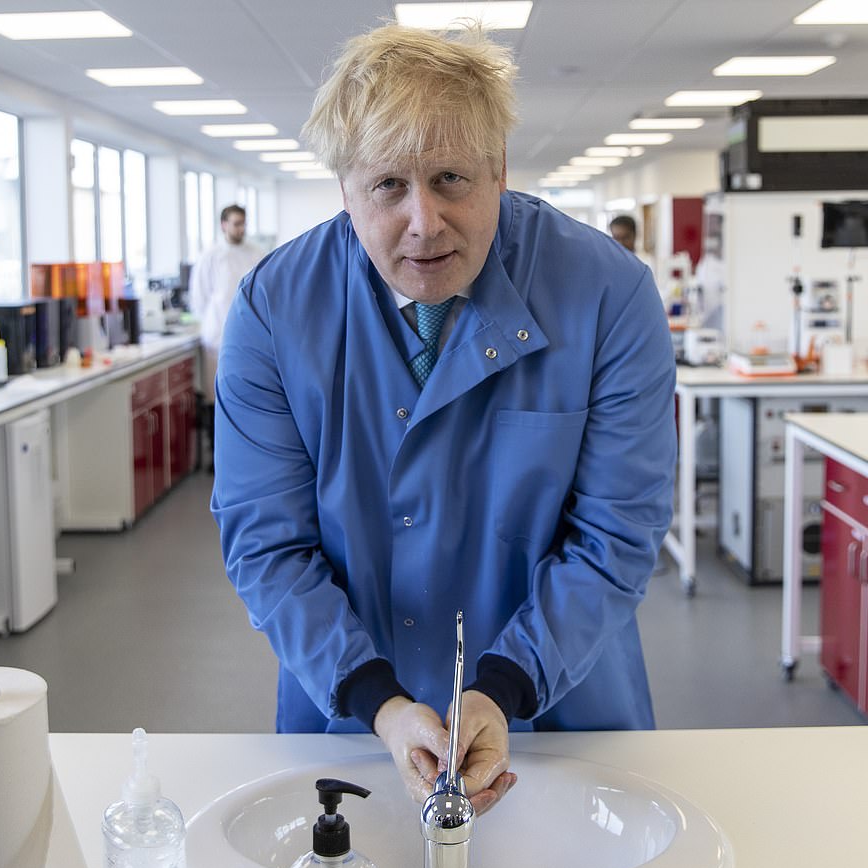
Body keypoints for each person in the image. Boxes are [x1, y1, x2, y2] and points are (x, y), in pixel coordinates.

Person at [212, 24, 676, 816]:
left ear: (499, 170)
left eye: (452, 178)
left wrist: (504, 687)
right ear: (344, 188)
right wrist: (383, 704)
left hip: (557, 717)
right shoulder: (273, 312)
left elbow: (617, 534)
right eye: (388, 185)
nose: (423, 221)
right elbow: (267, 543)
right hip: (354, 721)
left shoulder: (608, 297)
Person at [188, 204, 263, 462]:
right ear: (223, 225)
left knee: (248, 394)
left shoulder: (256, 254)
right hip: (216, 337)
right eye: (235, 223)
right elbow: (199, 298)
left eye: (243, 223)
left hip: (251, 339)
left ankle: (246, 453)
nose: (240, 228)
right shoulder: (211, 256)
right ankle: (217, 455)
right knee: (215, 396)